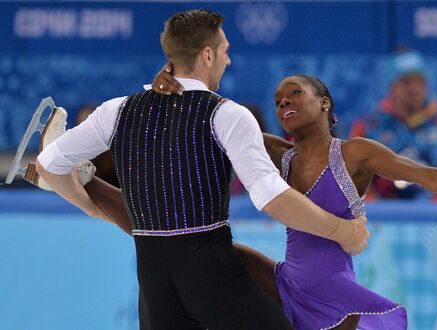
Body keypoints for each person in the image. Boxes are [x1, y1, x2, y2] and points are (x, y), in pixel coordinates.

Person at [32, 10, 369, 330]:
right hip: (212, 276)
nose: (228, 59)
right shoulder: (227, 114)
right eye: (225, 51)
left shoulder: (117, 110)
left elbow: (48, 164)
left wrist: (91, 206)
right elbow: (271, 197)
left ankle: (88, 178)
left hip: (154, 285)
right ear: (207, 55)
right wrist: (343, 231)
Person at [349, 49, 437, 200]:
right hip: (381, 219)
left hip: (435, 218)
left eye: (420, 81)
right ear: (391, 87)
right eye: (406, 82)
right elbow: (353, 182)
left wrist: (433, 213)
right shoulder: (367, 128)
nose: (414, 89)